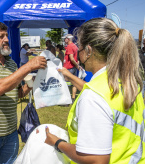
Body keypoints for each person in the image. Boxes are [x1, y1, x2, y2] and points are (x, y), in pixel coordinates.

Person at [45, 18, 145, 164]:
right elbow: (97, 92)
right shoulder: (128, 82)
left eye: (79, 47)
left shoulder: (93, 97)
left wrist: (57, 142)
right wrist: (70, 76)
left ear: (88, 51)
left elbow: (95, 160)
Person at [0, 21, 47, 164]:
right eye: (1, 36)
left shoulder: (11, 63)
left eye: (6, 36)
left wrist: (31, 84)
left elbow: (16, 94)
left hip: (10, 134)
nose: (6, 40)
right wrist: (28, 66)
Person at [63, 34, 80, 102]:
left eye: (65, 39)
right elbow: (77, 57)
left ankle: (66, 100)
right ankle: (73, 98)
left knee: (65, 84)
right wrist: (77, 65)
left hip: (69, 68)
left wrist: (77, 66)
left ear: (68, 39)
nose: (64, 40)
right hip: (73, 68)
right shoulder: (75, 46)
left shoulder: (69, 46)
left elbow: (71, 58)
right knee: (74, 83)